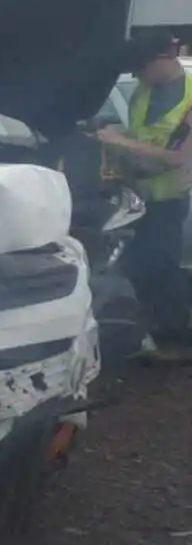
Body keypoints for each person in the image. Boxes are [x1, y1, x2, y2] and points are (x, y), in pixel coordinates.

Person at [96, 32, 192, 345]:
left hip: (169, 201)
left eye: (140, 68)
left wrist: (119, 141)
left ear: (164, 58)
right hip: (135, 200)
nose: (138, 76)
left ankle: (176, 341)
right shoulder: (142, 92)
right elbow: (139, 139)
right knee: (135, 268)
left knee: (164, 269)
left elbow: (178, 157)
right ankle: (139, 336)